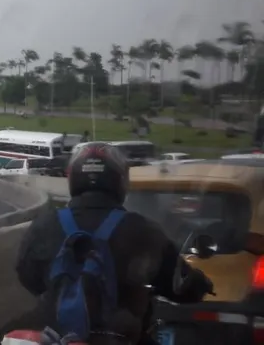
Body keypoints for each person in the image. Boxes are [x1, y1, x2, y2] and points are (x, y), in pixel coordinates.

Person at [15, 142, 213, 344]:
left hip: (59, 337)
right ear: (119, 181)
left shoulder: (45, 224)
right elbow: (179, 285)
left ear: (73, 178)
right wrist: (201, 284)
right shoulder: (142, 229)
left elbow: (28, 277)